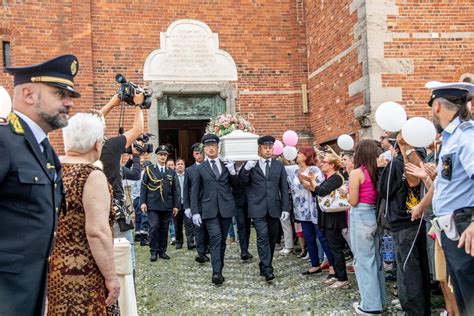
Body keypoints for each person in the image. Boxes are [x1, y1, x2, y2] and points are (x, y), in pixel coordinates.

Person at [0, 54, 79, 315]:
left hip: (30, 290)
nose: (69, 103)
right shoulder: (5, 141)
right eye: (59, 94)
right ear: (28, 94)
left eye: (70, 95)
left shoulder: (45, 150)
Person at [47, 111, 120, 315]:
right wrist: (111, 277)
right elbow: (97, 231)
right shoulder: (90, 175)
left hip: (54, 268)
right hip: (84, 271)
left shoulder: (52, 170)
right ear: (97, 143)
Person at [411, 81, 474, 315]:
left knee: (470, 297)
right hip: (452, 227)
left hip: (464, 226)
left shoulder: (466, 137)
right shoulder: (452, 137)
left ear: (437, 106)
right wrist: (423, 205)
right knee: (462, 295)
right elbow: (445, 183)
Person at [378, 132, 430, 316]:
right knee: (419, 266)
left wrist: (385, 169)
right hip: (417, 218)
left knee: (407, 269)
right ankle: (422, 308)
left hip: (403, 220)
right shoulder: (419, 159)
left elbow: (383, 191)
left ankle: (414, 310)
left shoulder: (397, 163)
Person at [99, 94, 144, 271]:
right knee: (126, 259)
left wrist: (112, 103)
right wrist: (138, 105)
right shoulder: (109, 148)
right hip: (115, 213)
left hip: (94, 214)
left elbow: (90, 123)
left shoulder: (82, 148)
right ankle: (127, 293)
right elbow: (137, 129)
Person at [239, 135, 290, 282]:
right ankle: (268, 268)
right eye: (265, 147)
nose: (268, 150)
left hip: (274, 207)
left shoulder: (278, 165)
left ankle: (264, 263)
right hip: (257, 207)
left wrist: (285, 208)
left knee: (272, 238)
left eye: (270, 148)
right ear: (259, 149)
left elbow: (283, 188)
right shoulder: (252, 164)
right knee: (262, 235)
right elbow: (242, 182)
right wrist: (246, 168)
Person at [191, 134, 238, 285]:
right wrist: (195, 211)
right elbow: (195, 191)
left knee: (222, 240)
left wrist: (232, 171)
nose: (211, 148)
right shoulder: (201, 168)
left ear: (218, 147)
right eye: (208, 146)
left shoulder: (225, 165)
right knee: (216, 237)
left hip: (225, 208)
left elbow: (236, 185)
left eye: (213, 146)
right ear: (204, 149)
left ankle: (220, 268)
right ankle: (216, 272)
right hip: (209, 209)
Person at [348, 140, 387, 314]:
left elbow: (353, 200)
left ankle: (370, 306)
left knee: (363, 262)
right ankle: (380, 300)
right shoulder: (377, 171)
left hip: (360, 215)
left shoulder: (356, 173)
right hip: (374, 215)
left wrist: (346, 194)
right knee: (375, 261)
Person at [285, 147, 336, 277]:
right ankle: (314, 265)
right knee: (308, 237)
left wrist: (303, 180)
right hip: (301, 210)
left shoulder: (314, 170)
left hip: (314, 208)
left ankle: (332, 265)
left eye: (300, 153)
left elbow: (316, 188)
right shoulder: (295, 170)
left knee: (321, 237)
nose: (297, 155)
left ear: (306, 155)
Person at [300, 153, 349, 289]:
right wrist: (310, 182)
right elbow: (317, 192)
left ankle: (343, 278)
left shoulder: (336, 178)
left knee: (336, 247)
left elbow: (321, 191)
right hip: (327, 216)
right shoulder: (330, 178)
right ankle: (337, 275)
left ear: (332, 165)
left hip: (334, 218)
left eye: (325, 162)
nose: (322, 164)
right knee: (331, 246)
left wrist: (312, 180)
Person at [140, 145, 180, 261]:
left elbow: (175, 190)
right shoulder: (150, 169)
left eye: (165, 155)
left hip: (167, 205)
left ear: (167, 157)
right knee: (154, 227)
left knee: (164, 228)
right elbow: (144, 186)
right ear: (157, 156)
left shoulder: (171, 172)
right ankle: (153, 251)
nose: (163, 157)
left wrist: (176, 205)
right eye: (161, 154)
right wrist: (143, 202)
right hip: (153, 204)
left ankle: (162, 251)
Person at [184, 142, 210, 261]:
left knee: (209, 228)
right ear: (193, 155)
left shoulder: (209, 167)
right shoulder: (189, 170)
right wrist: (187, 207)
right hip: (196, 204)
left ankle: (209, 247)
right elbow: (186, 190)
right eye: (196, 153)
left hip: (208, 203)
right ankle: (201, 253)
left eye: (200, 153)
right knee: (198, 230)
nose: (199, 155)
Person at [233, 163, 253, 261]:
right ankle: (243, 250)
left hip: (249, 200)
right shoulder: (230, 166)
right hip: (236, 201)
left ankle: (246, 248)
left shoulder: (249, 165)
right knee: (241, 225)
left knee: (247, 225)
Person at [174, 157, 195, 250]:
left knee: (189, 224)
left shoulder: (188, 176)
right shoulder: (173, 177)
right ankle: (179, 241)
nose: (180, 166)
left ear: (184, 166)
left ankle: (190, 242)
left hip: (187, 204)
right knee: (177, 225)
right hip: (177, 205)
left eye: (182, 164)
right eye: (178, 164)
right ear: (175, 166)